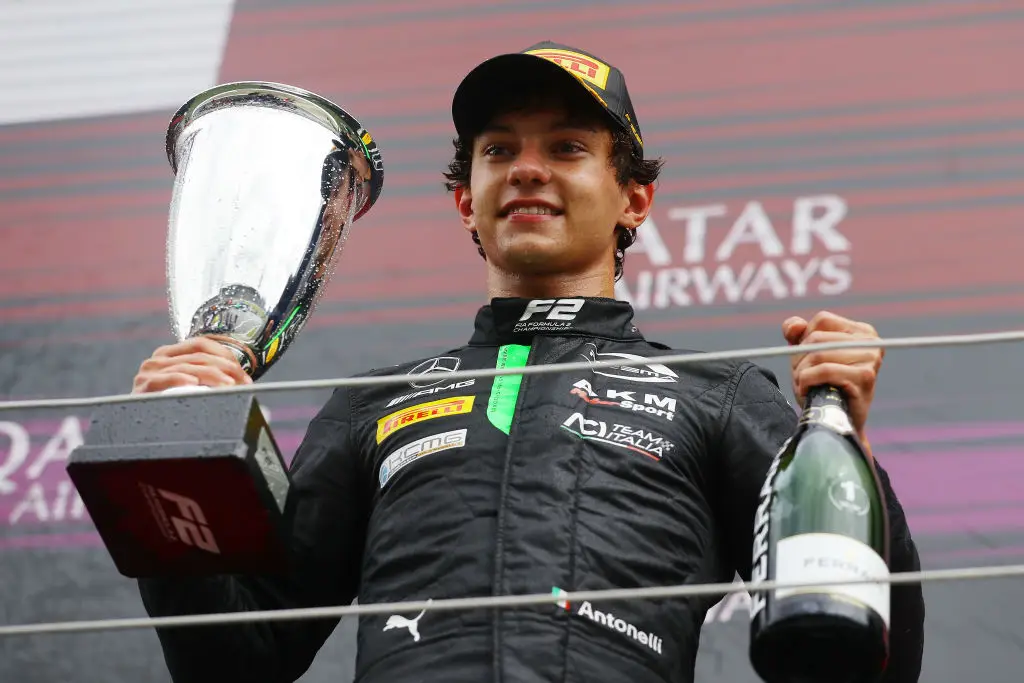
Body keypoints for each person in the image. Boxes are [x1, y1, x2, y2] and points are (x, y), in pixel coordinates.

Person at [132, 41, 925, 683]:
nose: (527, 167)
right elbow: (235, 658)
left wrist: (844, 438)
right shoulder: (375, 401)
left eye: (568, 147)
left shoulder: (715, 394)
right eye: (499, 148)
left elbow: (871, 657)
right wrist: (171, 458)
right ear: (465, 199)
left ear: (634, 200)